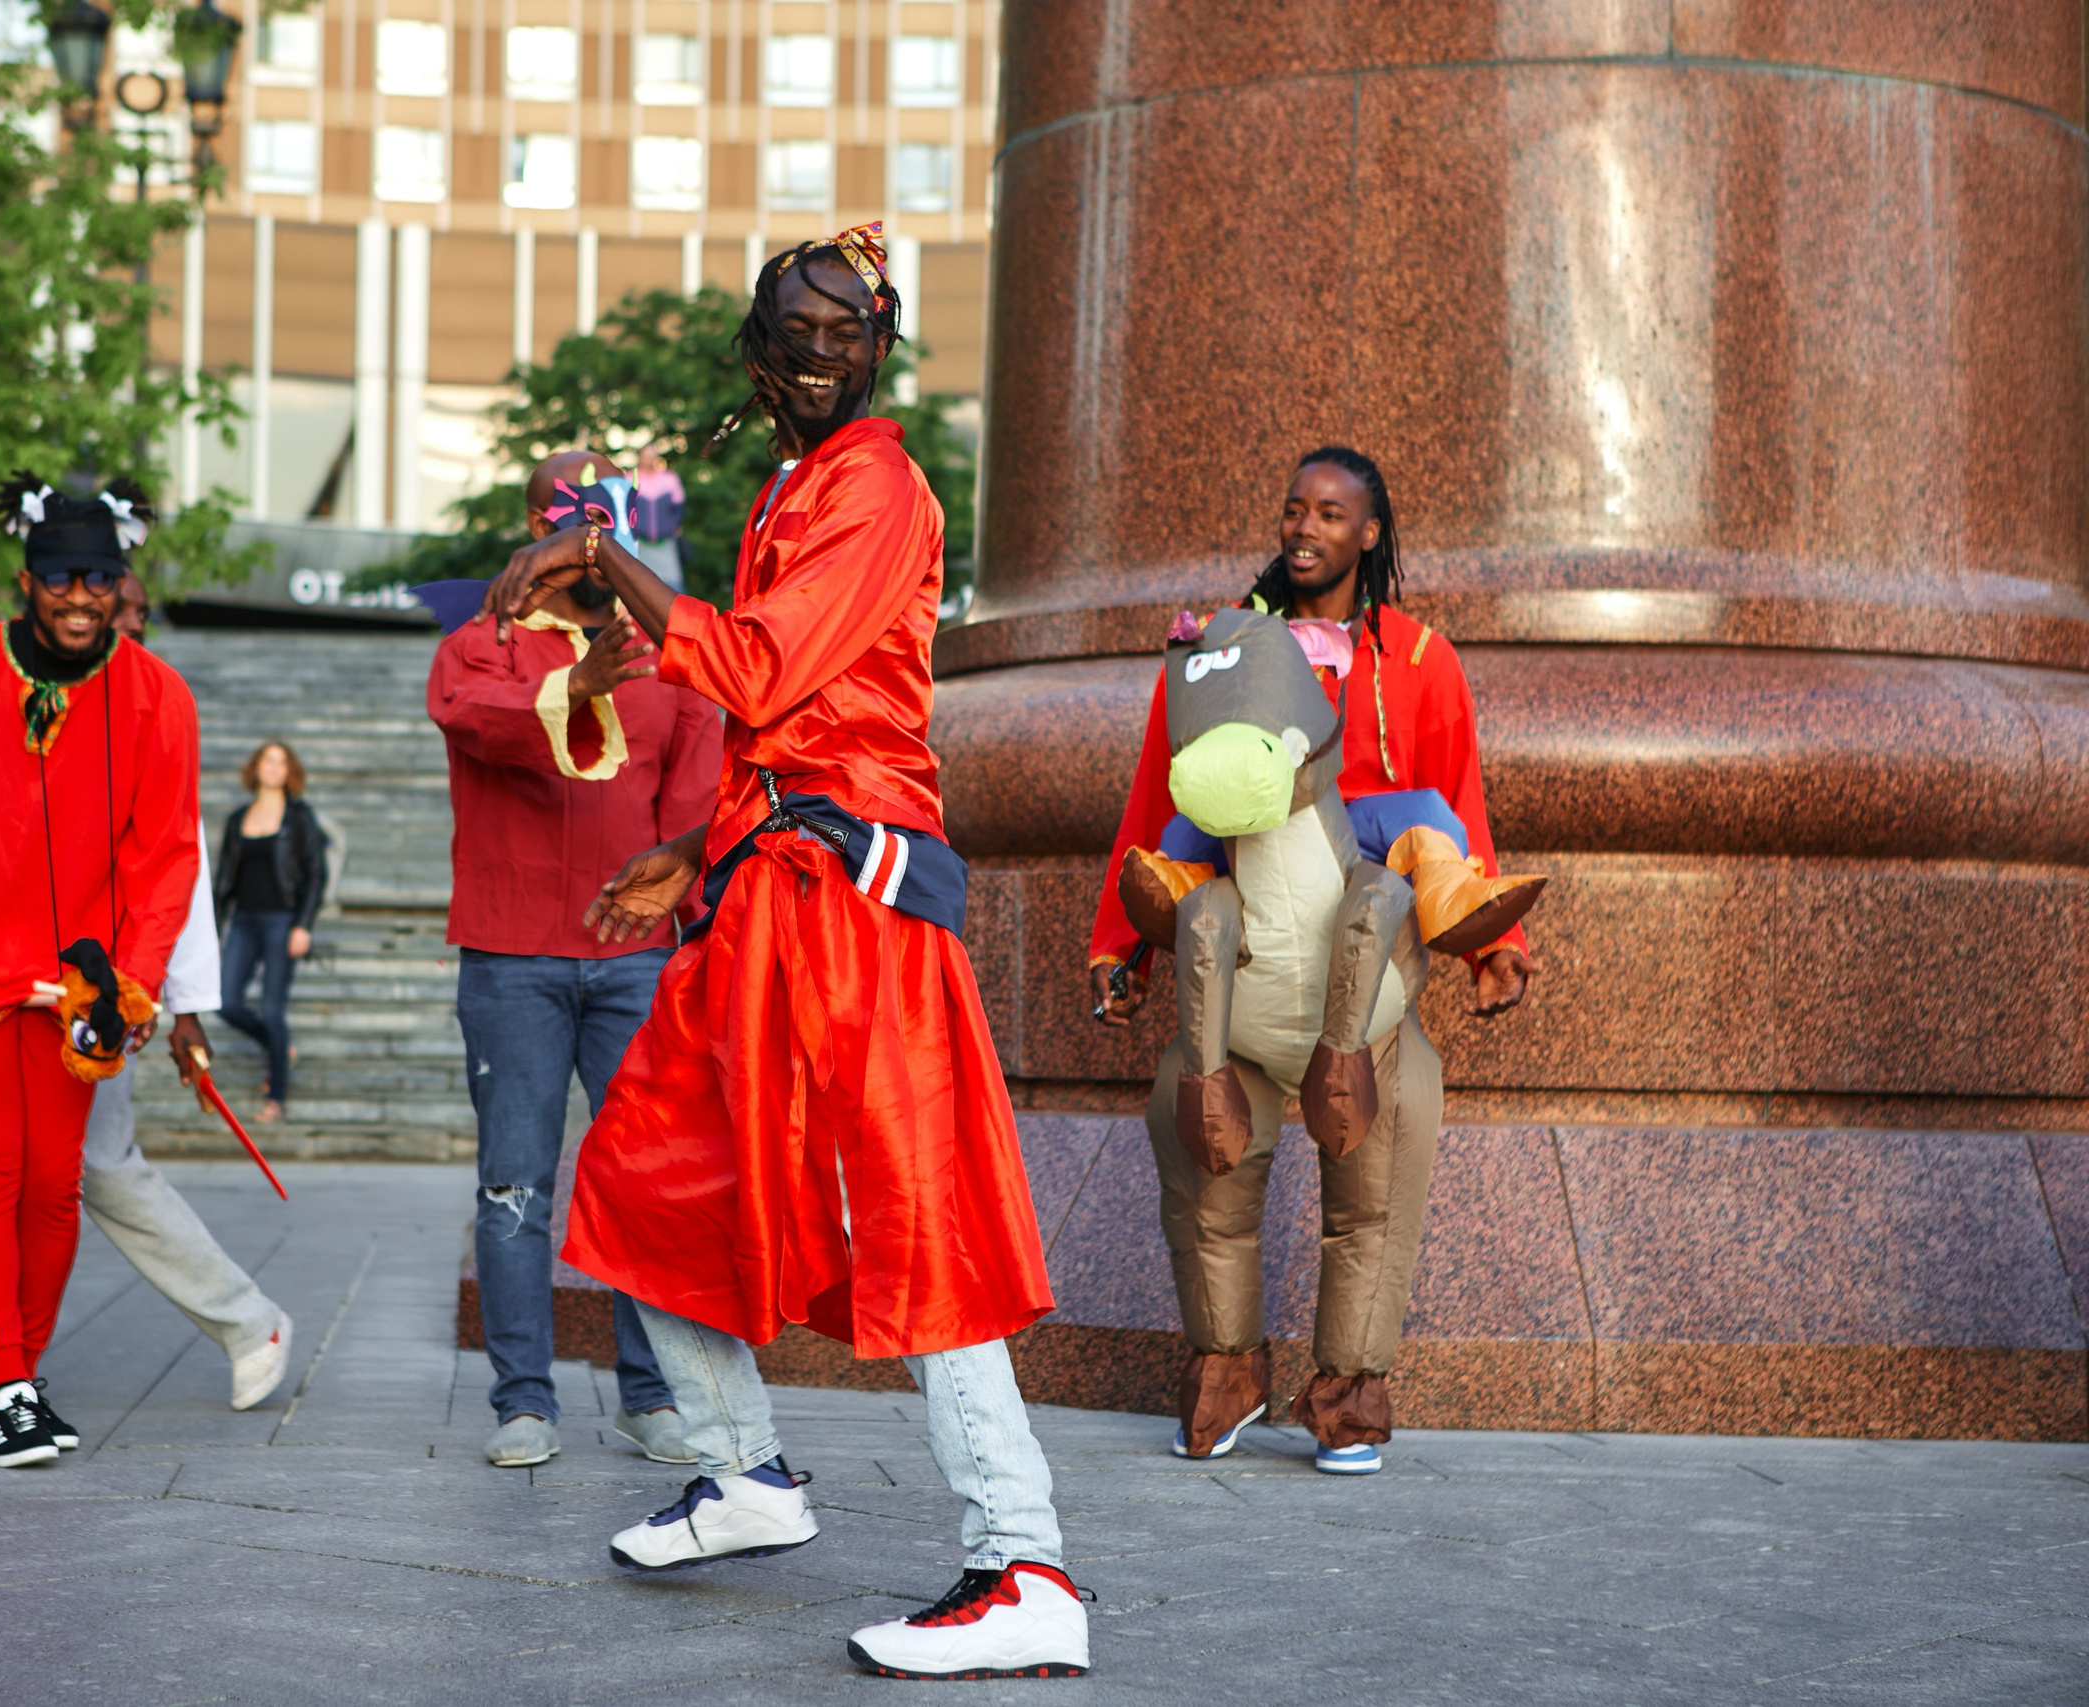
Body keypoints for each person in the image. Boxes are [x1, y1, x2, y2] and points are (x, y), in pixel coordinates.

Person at [483, 224, 1091, 1681]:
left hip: (857, 904)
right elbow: (778, 715)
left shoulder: (875, 482)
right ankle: (745, 1472)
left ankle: (1026, 1561)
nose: (827, 354)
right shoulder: (790, 489)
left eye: (850, 334)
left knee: (918, 1212)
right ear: (762, 359)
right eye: (801, 334)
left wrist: (595, 551)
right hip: (765, 888)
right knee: (646, 1173)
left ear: (874, 353)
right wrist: (694, 850)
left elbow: (753, 671)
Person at [1086, 446, 1542, 1478]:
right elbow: (1154, 802)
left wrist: (1491, 945)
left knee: (1380, 1168)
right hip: (1240, 952)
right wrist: (1123, 945)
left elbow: (1453, 807)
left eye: (1330, 515)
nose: (1304, 529)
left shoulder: (1420, 658)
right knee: (1196, 1150)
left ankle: (1348, 1397)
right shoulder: (1217, 648)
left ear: (1367, 534)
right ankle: (1222, 1373)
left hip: (1367, 953)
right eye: (1293, 509)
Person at [0, 471, 200, 1469]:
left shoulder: (156, 696)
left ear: (120, 584)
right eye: (62, 577)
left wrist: (134, 982)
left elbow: (165, 854)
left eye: (100, 577)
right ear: (27, 578)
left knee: (55, 1185)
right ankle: (5, 1384)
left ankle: (23, 1370)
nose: (81, 596)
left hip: (80, 989)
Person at [428, 446, 722, 1472]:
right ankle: (523, 1402)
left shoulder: (666, 646)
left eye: (603, 512)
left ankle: (652, 1396)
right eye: (567, 512)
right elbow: (470, 721)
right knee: (514, 1186)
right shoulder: (485, 641)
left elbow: (695, 791)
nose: (587, 531)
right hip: (512, 955)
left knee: (643, 1182)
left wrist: (680, 888)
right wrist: (575, 687)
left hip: (631, 957)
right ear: (534, 521)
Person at [213, 742, 325, 1124]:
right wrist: (213, 931)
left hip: (281, 921)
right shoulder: (237, 819)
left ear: (289, 771)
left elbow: (315, 874)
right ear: (256, 766)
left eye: (282, 762)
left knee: (273, 1009)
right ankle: (278, 1047)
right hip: (243, 921)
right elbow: (223, 880)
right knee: (226, 1002)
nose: (274, 767)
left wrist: (302, 926)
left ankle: (275, 1097)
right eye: (268, 759)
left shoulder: (299, 817)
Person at [630, 442, 686, 591]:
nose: (649, 458)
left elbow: (678, 509)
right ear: (640, 456)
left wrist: (671, 527)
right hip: (639, 545)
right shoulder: (630, 479)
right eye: (646, 455)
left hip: (665, 543)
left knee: (674, 588)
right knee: (641, 588)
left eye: (651, 454)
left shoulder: (669, 479)